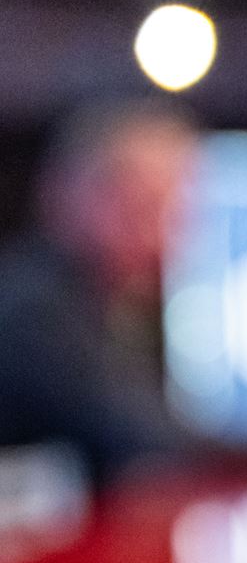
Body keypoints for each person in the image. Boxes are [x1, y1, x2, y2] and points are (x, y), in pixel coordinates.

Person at [0, 102, 202, 482]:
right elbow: (145, 442)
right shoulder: (34, 309)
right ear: (67, 193)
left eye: (173, 213)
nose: (161, 238)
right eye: (140, 209)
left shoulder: (113, 306)